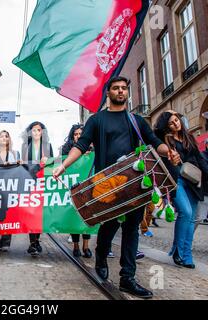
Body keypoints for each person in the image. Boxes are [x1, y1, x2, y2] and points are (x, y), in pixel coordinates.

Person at [53, 76, 180, 299]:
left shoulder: (136, 120)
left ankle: (127, 278)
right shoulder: (96, 120)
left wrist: (167, 151)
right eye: (116, 88)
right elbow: (82, 145)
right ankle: (101, 256)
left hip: (135, 184)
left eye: (124, 88)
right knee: (109, 226)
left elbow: (152, 140)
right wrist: (63, 165)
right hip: (107, 185)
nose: (121, 91)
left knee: (132, 229)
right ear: (108, 92)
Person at [154, 112, 208, 269]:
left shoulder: (189, 137)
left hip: (193, 181)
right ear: (167, 126)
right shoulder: (166, 140)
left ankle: (186, 255)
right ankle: (178, 251)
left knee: (191, 219)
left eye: (176, 120)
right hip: (176, 181)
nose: (175, 124)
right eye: (171, 122)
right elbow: (154, 135)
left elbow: (199, 159)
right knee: (186, 212)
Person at [21, 121, 54, 256]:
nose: (36, 133)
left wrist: (49, 160)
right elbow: (22, 164)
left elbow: (54, 162)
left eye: (38, 130)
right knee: (31, 212)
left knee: (40, 212)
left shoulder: (48, 146)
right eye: (33, 130)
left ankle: (36, 240)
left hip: (42, 182)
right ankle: (32, 243)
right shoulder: (25, 147)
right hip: (29, 182)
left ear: (42, 132)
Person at [60, 124, 92, 258]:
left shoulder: (92, 149)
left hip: (88, 187)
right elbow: (62, 163)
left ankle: (86, 246)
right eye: (76, 134)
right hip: (73, 187)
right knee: (74, 216)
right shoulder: (66, 149)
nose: (78, 136)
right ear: (72, 136)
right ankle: (76, 245)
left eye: (80, 134)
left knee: (87, 215)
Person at [197, 139, 208, 226]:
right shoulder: (202, 156)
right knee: (199, 218)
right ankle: (186, 238)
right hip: (205, 192)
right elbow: (206, 171)